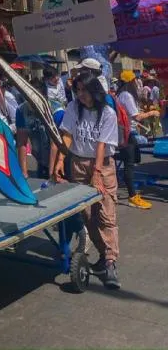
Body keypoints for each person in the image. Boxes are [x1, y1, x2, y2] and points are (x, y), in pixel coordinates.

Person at [54, 71, 120, 289]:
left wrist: (97, 172)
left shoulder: (108, 113)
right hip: (79, 164)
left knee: (106, 213)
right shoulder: (73, 108)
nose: (81, 95)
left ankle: (110, 263)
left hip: (102, 165)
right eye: (78, 90)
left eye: (85, 90)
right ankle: (104, 254)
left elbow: (102, 143)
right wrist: (60, 160)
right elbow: (67, 135)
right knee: (87, 214)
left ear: (94, 90)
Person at [117, 71, 157, 209]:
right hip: (127, 133)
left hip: (126, 132)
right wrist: (152, 113)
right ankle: (132, 196)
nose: (137, 82)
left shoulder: (121, 94)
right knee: (129, 164)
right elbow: (137, 117)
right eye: (135, 80)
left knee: (134, 159)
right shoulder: (127, 95)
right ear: (130, 82)